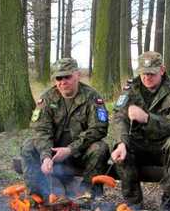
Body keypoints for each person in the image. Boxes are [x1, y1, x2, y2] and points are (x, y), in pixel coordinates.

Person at [111, 51, 170, 211]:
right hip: (138, 143)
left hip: (163, 144)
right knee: (121, 145)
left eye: (151, 73)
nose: (147, 77)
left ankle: (168, 204)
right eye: (144, 73)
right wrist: (121, 143)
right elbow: (119, 117)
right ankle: (133, 202)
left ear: (162, 70)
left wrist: (147, 118)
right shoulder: (131, 87)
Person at [21, 58, 109, 200]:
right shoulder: (47, 99)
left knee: (100, 148)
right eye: (59, 78)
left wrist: (71, 149)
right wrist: (45, 156)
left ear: (77, 75)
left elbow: (99, 128)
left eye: (67, 77)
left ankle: (87, 196)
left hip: (80, 154)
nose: (63, 82)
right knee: (28, 145)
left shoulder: (92, 97)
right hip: (54, 154)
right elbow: (41, 130)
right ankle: (37, 197)